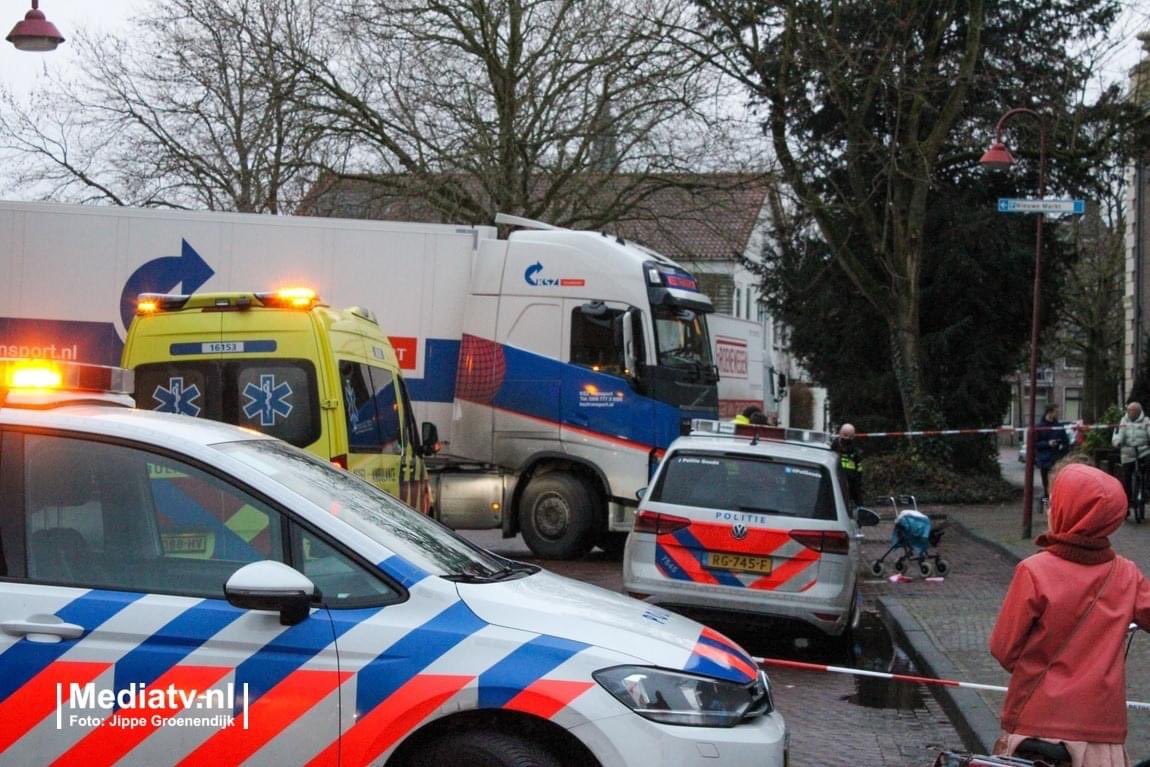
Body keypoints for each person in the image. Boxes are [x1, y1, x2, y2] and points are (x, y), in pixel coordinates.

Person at [989, 463, 1150, 767]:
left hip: (1037, 725)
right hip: (1102, 729)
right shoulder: (1127, 574)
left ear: (1065, 510)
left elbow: (1003, 649)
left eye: (1052, 502)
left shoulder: (1034, 571)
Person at [1112, 401, 1150, 516]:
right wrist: (1117, 442)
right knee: (1126, 480)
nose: (1130, 413)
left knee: (1148, 467)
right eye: (1129, 411)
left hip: (1143, 451)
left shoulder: (1147, 421)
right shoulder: (1123, 421)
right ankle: (1126, 506)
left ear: (1139, 412)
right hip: (1128, 453)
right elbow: (1117, 434)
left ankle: (1146, 489)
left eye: (1133, 411)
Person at [1034, 404, 1070, 503]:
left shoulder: (1059, 427)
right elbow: (1035, 444)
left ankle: (1055, 500)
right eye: (1055, 412)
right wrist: (1048, 443)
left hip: (1056, 458)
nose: (1057, 414)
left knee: (1057, 481)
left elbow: (1066, 442)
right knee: (1046, 482)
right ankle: (1047, 500)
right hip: (1044, 459)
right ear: (1049, 412)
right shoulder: (1039, 427)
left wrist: (1061, 451)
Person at [830, 423, 863, 507]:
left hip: (851, 485)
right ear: (840, 434)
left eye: (850, 437)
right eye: (845, 436)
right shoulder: (833, 448)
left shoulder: (855, 451)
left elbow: (859, 471)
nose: (847, 439)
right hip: (836, 483)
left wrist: (859, 504)